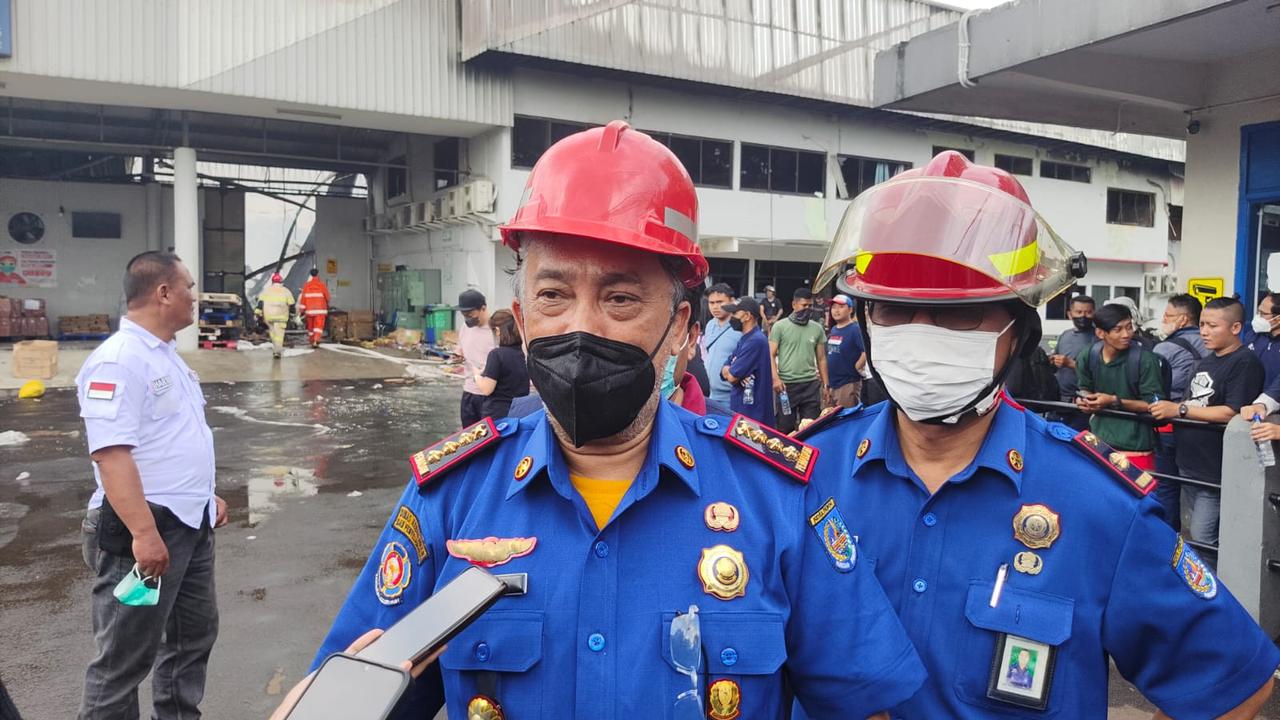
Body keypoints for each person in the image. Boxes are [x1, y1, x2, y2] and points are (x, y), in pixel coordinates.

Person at [310, 121, 925, 718]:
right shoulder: (451, 496)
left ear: (680, 328)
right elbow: (354, 694)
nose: (582, 327)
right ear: (522, 323)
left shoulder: (774, 497)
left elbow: (858, 702)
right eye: (554, 296)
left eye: (620, 298)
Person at [795, 150, 1277, 718]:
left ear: (1020, 334)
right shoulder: (800, 477)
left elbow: (1237, 683)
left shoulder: (1097, 504)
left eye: (959, 315)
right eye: (895, 311)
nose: (920, 336)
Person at [75, 251, 228, 719]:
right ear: (163, 293)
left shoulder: (163, 356)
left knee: (191, 638)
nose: (194, 299)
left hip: (189, 523)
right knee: (123, 660)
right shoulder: (118, 361)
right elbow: (111, 454)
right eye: (189, 288)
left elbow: (169, 438)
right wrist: (143, 534)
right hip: (145, 529)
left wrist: (205, 494)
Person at [1151, 298, 1264, 548]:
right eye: (1201, 324)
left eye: (1212, 326)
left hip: (1214, 468)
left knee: (1204, 541)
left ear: (1235, 328)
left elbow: (1231, 412)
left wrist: (1178, 409)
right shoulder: (1209, 358)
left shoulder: (1244, 362)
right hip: (1189, 463)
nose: (1204, 331)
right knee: (1190, 537)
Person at [1073, 303, 1164, 471]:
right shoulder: (1088, 355)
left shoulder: (1145, 361)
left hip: (1136, 447)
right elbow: (1084, 387)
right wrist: (1083, 400)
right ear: (1100, 333)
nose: (1127, 334)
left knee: (1137, 496)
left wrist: (1113, 401)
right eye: (1118, 329)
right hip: (1098, 441)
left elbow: (1155, 405)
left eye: (1129, 327)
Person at [1150, 294, 1209, 529]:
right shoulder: (1215, 345)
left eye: (1168, 315)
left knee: (1167, 485)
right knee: (1201, 489)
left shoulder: (1165, 347)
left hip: (1169, 425)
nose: (1163, 320)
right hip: (1205, 428)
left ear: (1183, 319)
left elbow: (1152, 386)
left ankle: (1169, 542)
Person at [769, 287, 829, 433]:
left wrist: (826, 384)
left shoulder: (817, 328)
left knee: (811, 427)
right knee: (785, 428)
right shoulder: (780, 326)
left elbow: (821, 358)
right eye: (804, 305)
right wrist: (775, 379)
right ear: (794, 305)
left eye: (810, 306)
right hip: (786, 386)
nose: (807, 309)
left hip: (811, 385)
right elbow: (770, 354)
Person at [721, 296, 773, 426]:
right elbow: (724, 370)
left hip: (752, 415)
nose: (731, 317)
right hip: (743, 410)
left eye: (735, 313)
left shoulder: (755, 341)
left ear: (747, 316)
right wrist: (729, 370)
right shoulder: (745, 339)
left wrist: (730, 370)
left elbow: (732, 377)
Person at [471, 309, 530, 421]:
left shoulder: (496, 354)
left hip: (497, 417)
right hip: (520, 415)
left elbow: (487, 389)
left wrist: (477, 376)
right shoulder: (524, 354)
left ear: (498, 331)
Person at [1047, 295, 1095, 428]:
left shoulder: (1099, 338)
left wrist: (1071, 364)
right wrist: (1051, 361)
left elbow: (1100, 370)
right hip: (1059, 403)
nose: (1083, 316)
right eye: (1079, 312)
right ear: (1070, 314)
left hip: (1083, 405)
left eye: (1088, 312)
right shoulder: (1065, 335)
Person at [456, 288, 496, 427]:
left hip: (490, 395)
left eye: (470, 314)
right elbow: (460, 349)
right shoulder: (465, 328)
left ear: (483, 308)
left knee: (489, 438)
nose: (467, 318)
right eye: (464, 314)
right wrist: (458, 356)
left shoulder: (496, 331)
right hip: (469, 392)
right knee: (468, 439)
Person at [701, 282, 741, 408]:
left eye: (720, 302)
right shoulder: (710, 325)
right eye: (711, 303)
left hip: (732, 397)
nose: (715, 307)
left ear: (732, 301)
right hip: (709, 396)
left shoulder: (741, 327)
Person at [825, 294, 866, 408]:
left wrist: (857, 366)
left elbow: (866, 351)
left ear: (850, 309)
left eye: (841, 307)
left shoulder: (855, 329)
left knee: (847, 419)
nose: (836, 310)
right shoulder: (833, 329)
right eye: (834, 307)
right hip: (832, 383)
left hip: (847, 383)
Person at [256, 272, 295, 358]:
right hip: (281, 317)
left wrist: (257, 313)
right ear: (281, 282)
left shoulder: (266, 291)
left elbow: (260, 303)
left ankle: (275, 348)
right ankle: (277, 352)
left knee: (272, 333)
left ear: (272, 282)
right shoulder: (286, 291)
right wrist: (292, 315)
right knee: (279, 335)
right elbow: (292, 304)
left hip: (269, 317)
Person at [1248, 292, 1280, 387]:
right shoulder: (1252, 336)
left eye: (1263, 314)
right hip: (1250, 399)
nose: (1258, 317)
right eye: (1258, 312)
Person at [297, 268, 330, 348]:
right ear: (318, 274)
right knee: (318, 326)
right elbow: (328, 297)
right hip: (320, 310)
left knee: (311, 327)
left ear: (311, 275)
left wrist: (301, 310)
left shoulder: (306, 285)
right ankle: (316, 340)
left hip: (310, 310)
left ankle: (312, 341)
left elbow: (303, 299)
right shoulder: (322, 285)